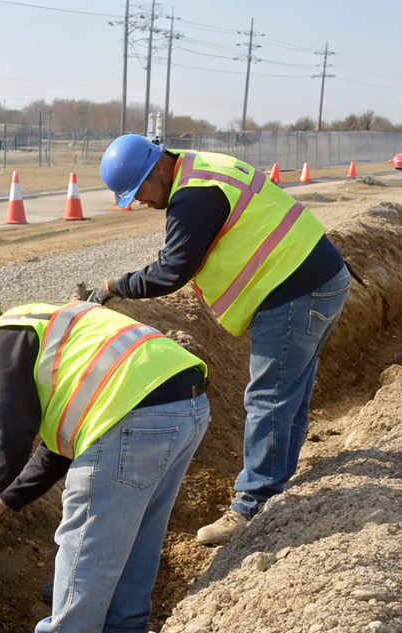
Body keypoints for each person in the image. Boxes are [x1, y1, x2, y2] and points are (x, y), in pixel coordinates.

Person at [0, 296, 210, 633]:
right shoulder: (46, 325)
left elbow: (7, 429)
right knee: (138, 532)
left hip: (130, 416)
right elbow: (57, 449)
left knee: (86, 543)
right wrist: (1, 502)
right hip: (184, 403)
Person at [85, 134, 353, 547]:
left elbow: (172, 270)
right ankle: (278, 481)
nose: (140, 202)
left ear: (159, 168)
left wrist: (116, 286)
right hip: (317, 277)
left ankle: (254, 503)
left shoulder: (192, 197)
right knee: (290, 391)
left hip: (293, 288)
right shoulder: (199, 169)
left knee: (269, 397)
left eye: (139, 192)